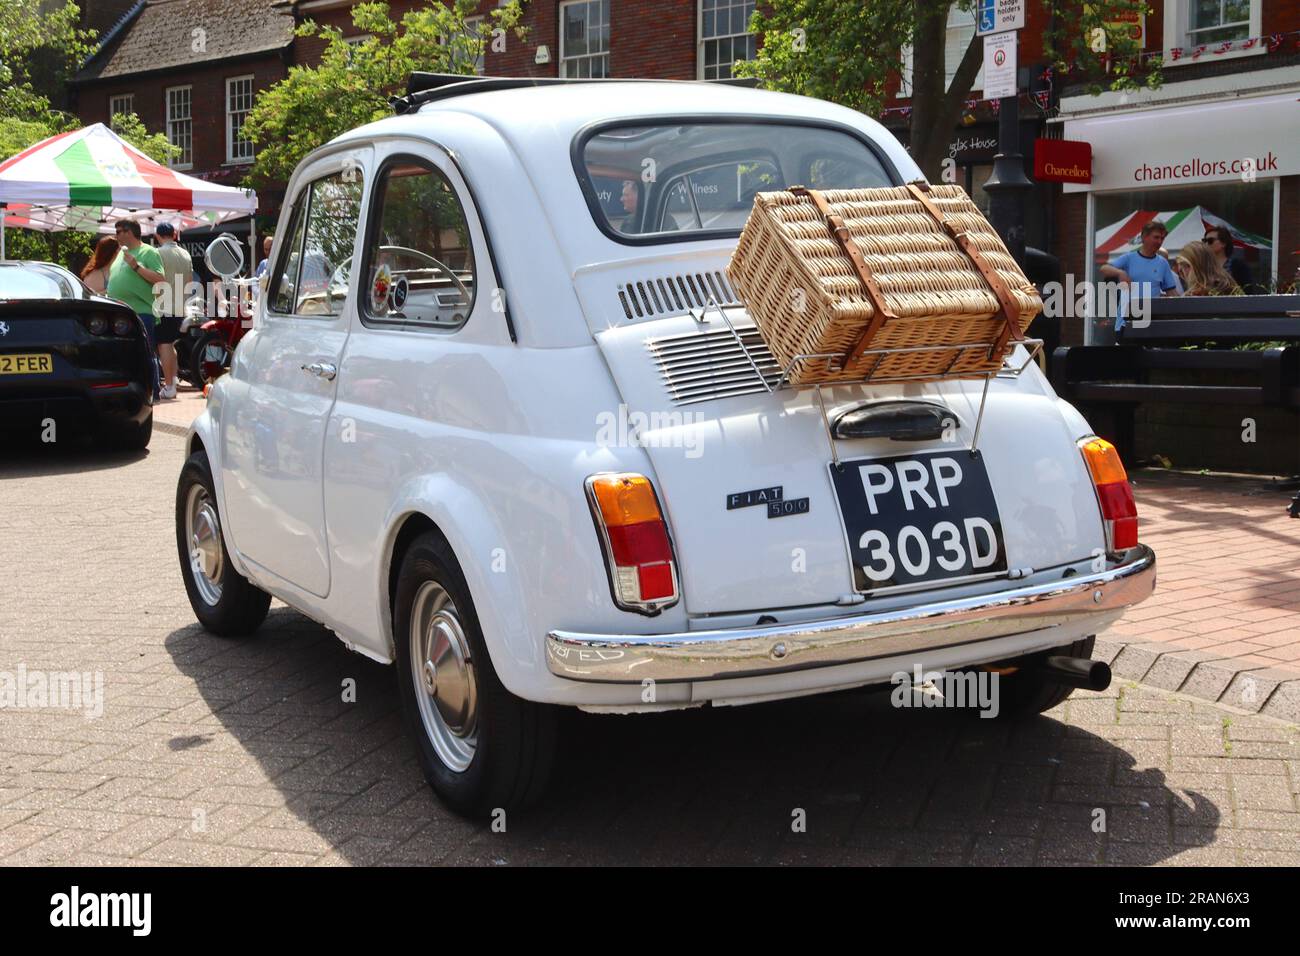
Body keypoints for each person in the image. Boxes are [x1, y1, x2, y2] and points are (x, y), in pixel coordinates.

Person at [105, 219, 165, 399]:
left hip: (141, 313)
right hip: (120, 314)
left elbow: (160, 279)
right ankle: (131, 391)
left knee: (145, 353)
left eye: (119, 231)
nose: (116, 235)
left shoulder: (149, 252)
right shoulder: (119, 254)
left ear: (129, 232)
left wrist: (136, 266)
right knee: (124, 354)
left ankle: (152, 392)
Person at [1098, 220, 1180, 332]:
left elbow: (1172, 292)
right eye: (1156, 237)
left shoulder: (1163, 263)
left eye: (1162, 238)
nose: (1159, 241)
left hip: (1151, 323)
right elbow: (1104, 269)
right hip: (1126, 323)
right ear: (1144, 237)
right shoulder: (1129, 258)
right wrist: (1120, 273)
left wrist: (1186, 302)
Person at [153, 222, 192, 399]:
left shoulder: (158, 253)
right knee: (170, 343)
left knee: (164, 344)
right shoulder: (185, 254)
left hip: (163, 304)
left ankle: (169, 386)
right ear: (174, 234)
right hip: (181, 304)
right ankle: (173, 380)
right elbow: (190, 280)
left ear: (157, 236)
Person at [1203, 225, 1255, 292]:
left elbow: (1248, 291)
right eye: (1204, 241)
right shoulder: (1203, 266)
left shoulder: (1238, 265)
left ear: (1223, 243)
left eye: (1210, 241)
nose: (1206, 244)